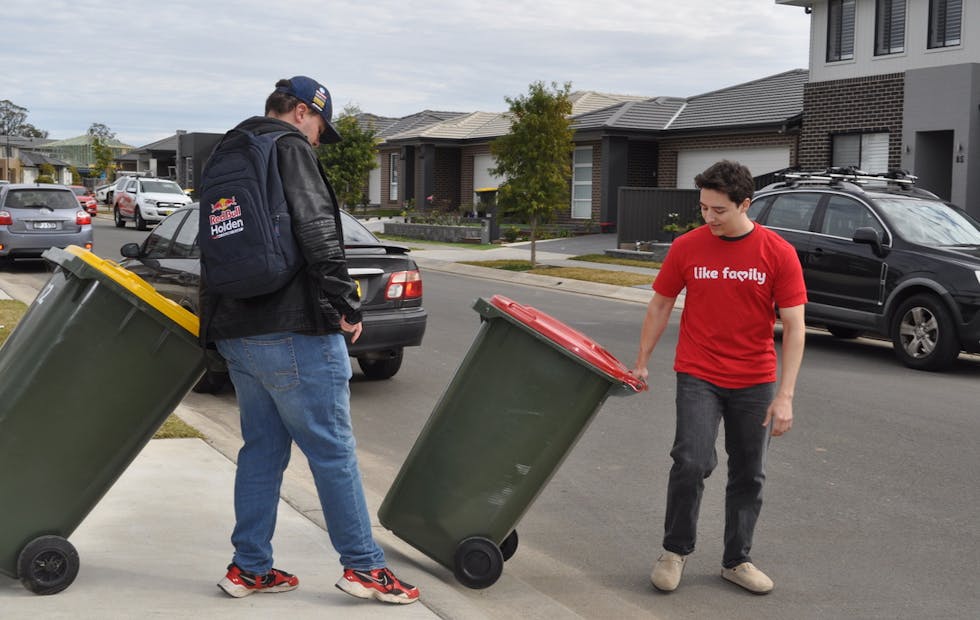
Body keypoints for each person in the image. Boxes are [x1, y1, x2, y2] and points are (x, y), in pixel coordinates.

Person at [199, 76, 420, 605]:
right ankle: (364, 568)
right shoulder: (290, 148)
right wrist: (346, 304)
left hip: (238, 332)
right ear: (301, 111)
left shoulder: (228, 150)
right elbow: (319, 229)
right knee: (333, 451)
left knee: (261, 453)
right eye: (321, 124)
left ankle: (249, 567)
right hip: (295, 328)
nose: (320, 136)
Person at [630, 160, 806, 595]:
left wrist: (785, 395)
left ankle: (737, 560)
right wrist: (641, 361)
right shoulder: (688, 247)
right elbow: (660, 304)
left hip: (755, 377)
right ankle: (674, 551)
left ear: (745, 204)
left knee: (750, 473)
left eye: (718, 211)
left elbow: (795, 326)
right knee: (690, 461)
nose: (708, 218)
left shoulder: (776, 252)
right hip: (698, 372)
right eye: (703, 208)